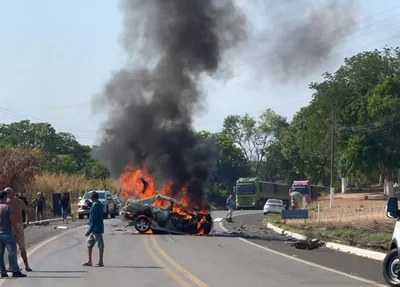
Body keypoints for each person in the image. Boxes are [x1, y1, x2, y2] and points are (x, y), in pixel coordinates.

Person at [4, 187, 32, 272]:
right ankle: (26, 265)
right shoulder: (19, 202)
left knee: (11, 247)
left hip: (10, 225)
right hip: (19, 224)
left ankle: (10, 267)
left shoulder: (5, 203)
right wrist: (27, 222)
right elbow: (28, 211)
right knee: (22, 247)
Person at [0, 190, 26, 278]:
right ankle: (15, 270)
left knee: (0, 253)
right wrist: (16, 232)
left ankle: (2, 272)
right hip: (7, 232)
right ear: (5, 197)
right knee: (12, 252)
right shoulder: (7, 207)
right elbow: (12, 220)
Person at [82, 191, 104, 267]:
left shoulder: (95, 206)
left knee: (100, 245)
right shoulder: (99, 204)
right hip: (98, 228)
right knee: (89, 244)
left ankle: (100, 261)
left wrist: (89, 231)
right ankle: (89, 261)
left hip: (95, 229)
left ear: (92, 198)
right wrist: (90, 204)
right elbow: (95, 208)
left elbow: (94, 219)